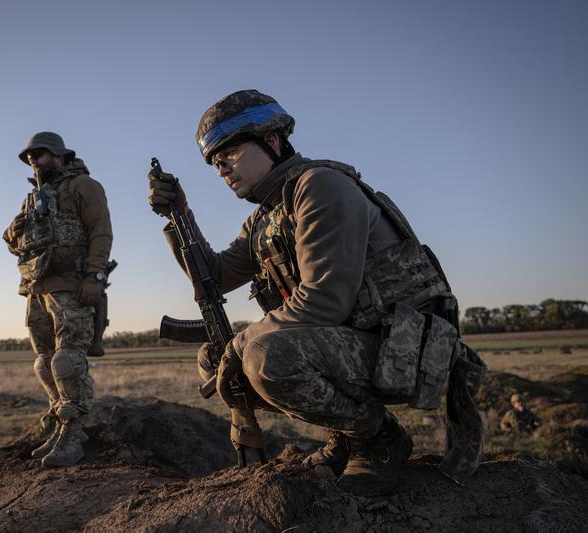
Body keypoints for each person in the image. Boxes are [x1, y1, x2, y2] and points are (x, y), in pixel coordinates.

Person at [148, 90, 486, 495]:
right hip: (350, 343)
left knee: (262, 355)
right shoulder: (264, 218)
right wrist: (179, 217)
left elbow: (325, 300)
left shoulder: (319, 187)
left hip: (397, 350)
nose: (221, 169)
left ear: (271, 141)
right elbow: (215, 276)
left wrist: (243, 343)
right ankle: (344, 437)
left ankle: (377, 439)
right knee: (216, 356)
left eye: (230, 154)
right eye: (214, 163)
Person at [4, 131, 113, 467]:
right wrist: (18, 230)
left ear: (63, 156)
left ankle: (75, 433)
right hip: (37, 289)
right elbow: (12, 241)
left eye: (44, 154)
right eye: (32, 157)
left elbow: (101, 231)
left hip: (72, 285)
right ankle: (61, 423)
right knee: (45, 362)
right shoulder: (33, 198)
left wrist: (95, 276)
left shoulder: (84, 186)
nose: (37, 161)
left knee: (67, 360)